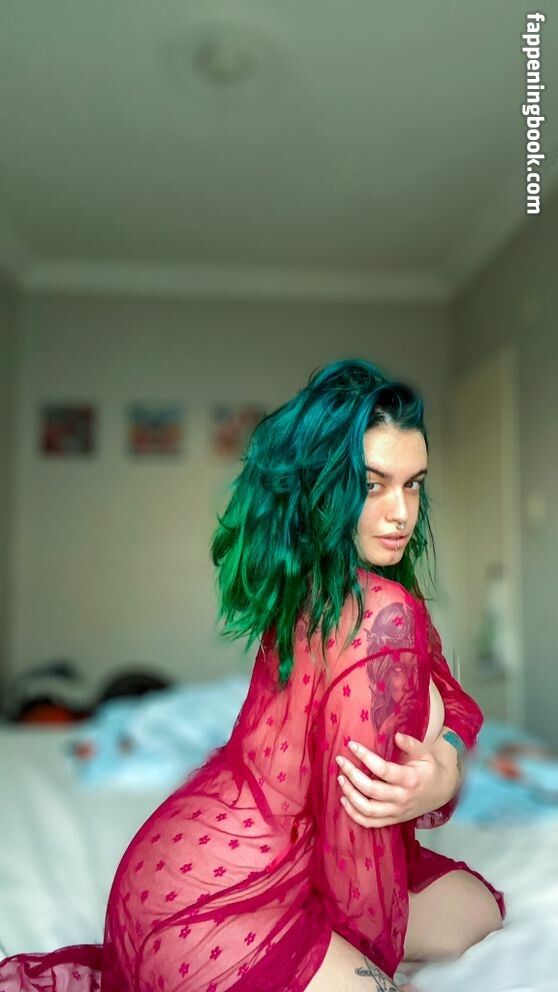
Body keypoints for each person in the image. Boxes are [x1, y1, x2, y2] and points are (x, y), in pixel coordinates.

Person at [0, 359, 505, 992]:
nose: (400, 512)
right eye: (373, 485)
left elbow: (455, 702)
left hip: (203, 873)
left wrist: (446, 768)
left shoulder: (354, 592)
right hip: (209, 903)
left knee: (477, 914)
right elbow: (357, 847)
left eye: (414, 484)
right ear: (326, 488)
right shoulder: (373, 610)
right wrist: (370, 971)